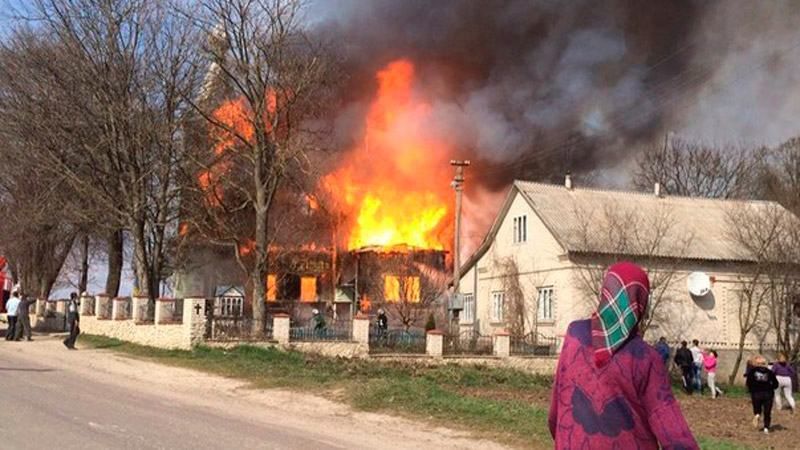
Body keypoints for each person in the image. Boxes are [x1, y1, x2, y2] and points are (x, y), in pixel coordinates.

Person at [548, 262, 697, 449]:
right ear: (641, 303)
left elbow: (557, 406)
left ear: (606, 292)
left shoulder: (575, 334)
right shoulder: (645, 358)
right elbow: (671, 428)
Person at [747, 355, 779, 433]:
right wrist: (771, 388)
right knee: (767, 411)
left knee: (757, 408)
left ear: (756, 364)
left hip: (756, 393)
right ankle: (766, 428)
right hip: (768, 393)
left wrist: (751, 390)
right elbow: (776, 384)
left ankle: (757, 414)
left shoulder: (752, 372)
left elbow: (748, 382)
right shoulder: (770, 372)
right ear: (765, 364)